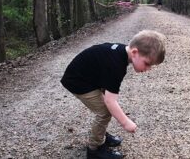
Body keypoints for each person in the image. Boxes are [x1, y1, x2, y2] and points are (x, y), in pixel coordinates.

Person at [61, 30, 166, 159]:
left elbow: (107, 87)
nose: (148, 69)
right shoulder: (116, 65)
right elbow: (110, 101)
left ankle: (101, 135)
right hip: (77, 81)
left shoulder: (121, 52)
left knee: (105, 108)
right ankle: (95, 149)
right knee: (105, 112)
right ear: (134, 52)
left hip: (88, 77)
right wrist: (126, 122)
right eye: (147, 63)